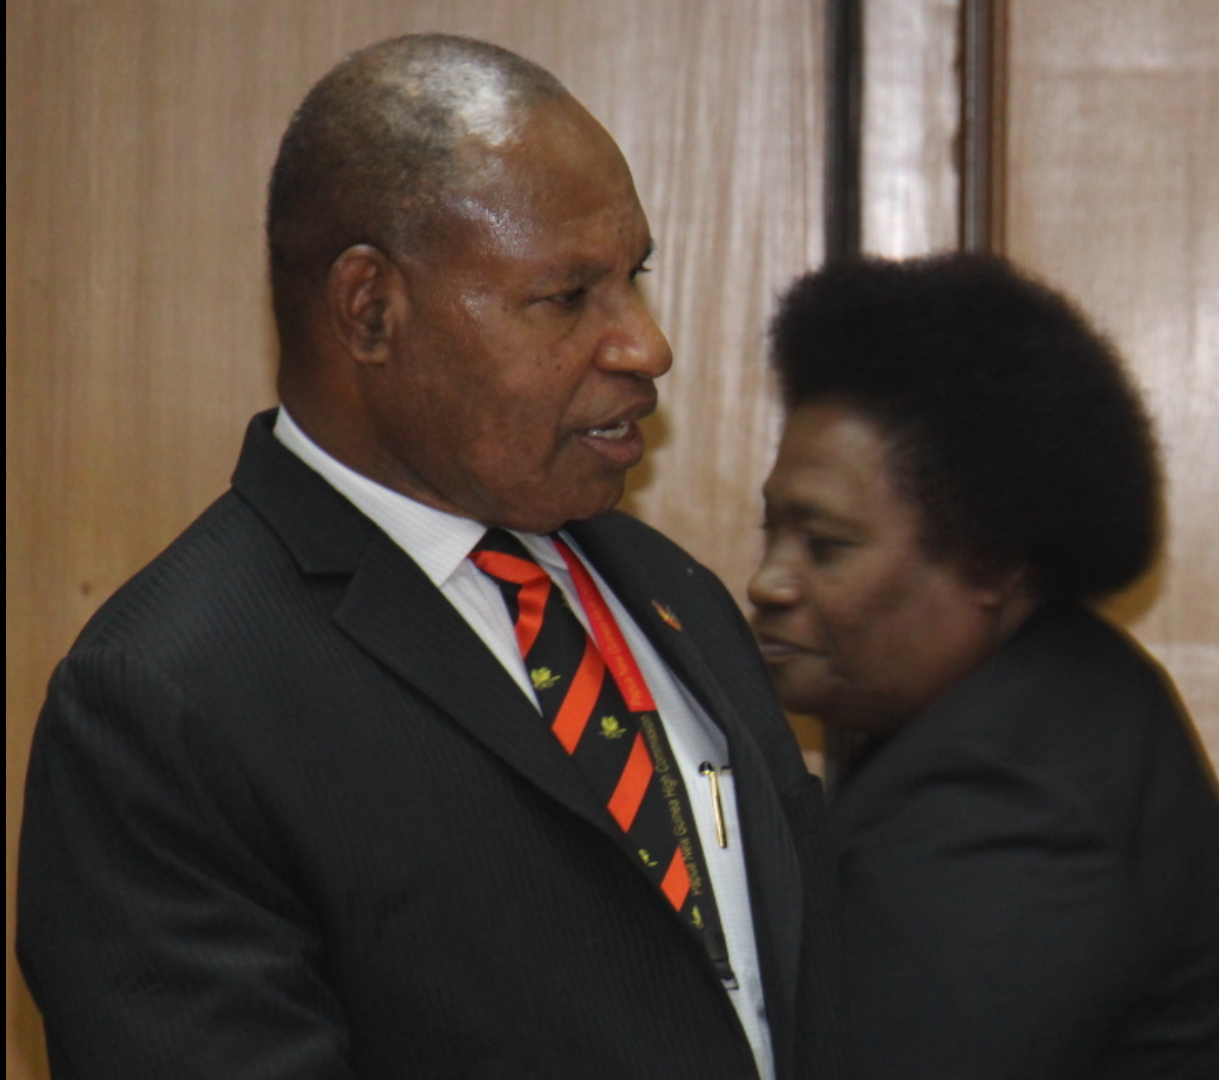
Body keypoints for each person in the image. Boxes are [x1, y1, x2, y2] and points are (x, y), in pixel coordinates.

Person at [15, 34, 840, 1080]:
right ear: (371, 309)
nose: (646, 345)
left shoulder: (680, 597)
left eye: (633, 277)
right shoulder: (167, 699)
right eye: (567, 296)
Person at [747, 253, 1219, 1080]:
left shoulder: (1006, 799)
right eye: (774, 532)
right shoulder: (1055, 698)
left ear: (991, 564)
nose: (769, 581)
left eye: (824, 545)